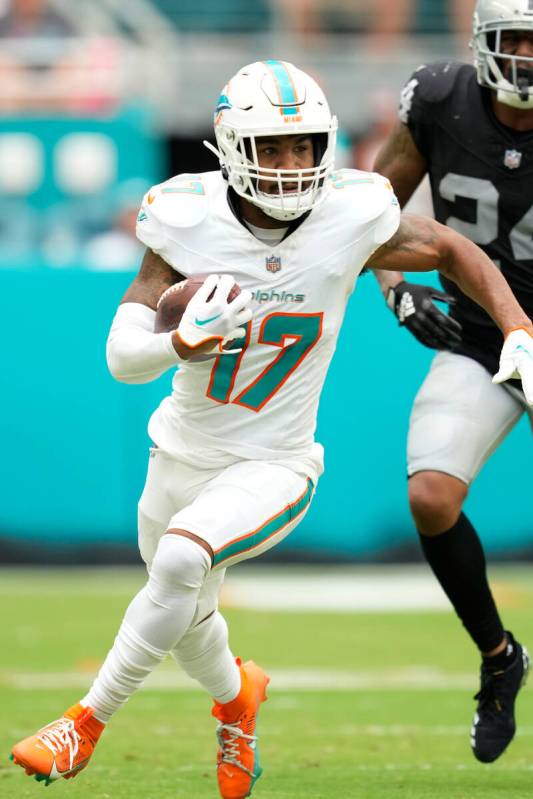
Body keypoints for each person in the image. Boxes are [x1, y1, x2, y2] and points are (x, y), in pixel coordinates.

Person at [10, 59, 533, 799]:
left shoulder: (349, 211)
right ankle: (236, 697)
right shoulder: (186, 216)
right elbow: (123, 358)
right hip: (180, 450)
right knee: (186, 613)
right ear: (228, 146)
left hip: (276, 463)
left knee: (183, 564)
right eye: (271, 148)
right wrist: (176, 346)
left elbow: (451, 248)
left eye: (302, 146)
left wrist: (514, 326)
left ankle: (84, 723)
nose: (290, 166)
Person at [372, 0, 533, 766]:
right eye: (518, 41)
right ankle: (499, 656)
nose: (530, 57)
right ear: (483, 45)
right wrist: (396, 290)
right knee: (431, 496)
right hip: (480, 338)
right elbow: (370, 214)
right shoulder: (438, 99)